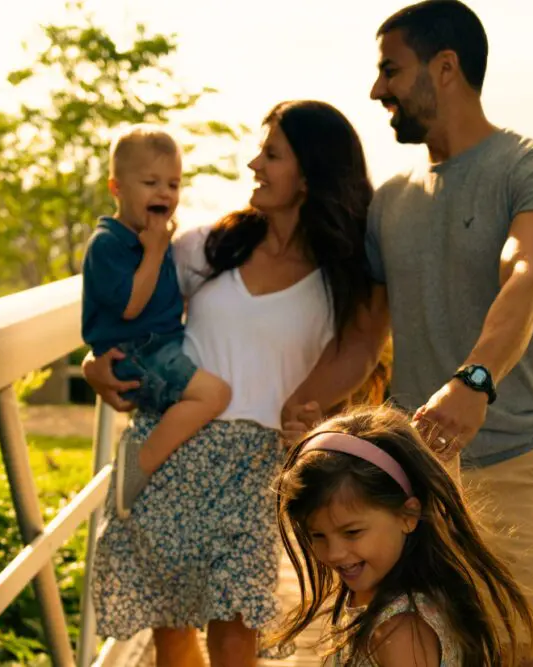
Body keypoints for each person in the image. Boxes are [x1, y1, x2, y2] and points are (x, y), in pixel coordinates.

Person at [282, 2, 533, 665]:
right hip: (412, 485)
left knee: (528, 656)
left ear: (446, 69)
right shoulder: (390, 199)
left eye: (391, 68)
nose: (376, 88)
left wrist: (475, 379)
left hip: (520, 460)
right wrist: (307, 404)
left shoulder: (532, 166)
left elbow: (529, 273)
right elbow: (362, 339)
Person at [82, 100, 376, 667]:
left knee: (237, 627)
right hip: (169, 452)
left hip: (255, 464)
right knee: (171, 628)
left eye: (271, 154)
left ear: (310, 174)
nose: (253, 165)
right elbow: (127, 309)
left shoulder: (342, 273)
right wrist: (96, 366)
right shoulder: (210, 246)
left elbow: (363, 348)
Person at [273, 405, 533, 667]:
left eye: (352, 532)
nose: (334, 552)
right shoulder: (393, 604)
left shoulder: (400, 631)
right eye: (317, 535)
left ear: (408, 515)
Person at [81, 126, 232, 518]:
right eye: (150, 182)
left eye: (173, 183)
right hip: (137, 351)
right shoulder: (109, 243)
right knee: (214, 395)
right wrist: (153, 252)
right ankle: (140, 462)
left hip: (157, 346)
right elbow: (130, 307)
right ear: (116, 188)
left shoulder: (155, 237)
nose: (164, 193)